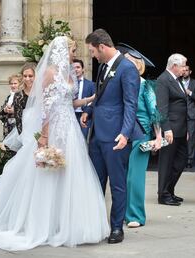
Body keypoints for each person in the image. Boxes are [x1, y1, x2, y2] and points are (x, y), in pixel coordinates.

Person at [0, 36, 109, 250]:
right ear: (61, 51)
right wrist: (44, 136)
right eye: (72, 50)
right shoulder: (50, 73)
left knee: (69, 174)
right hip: (54, 128)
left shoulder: (69, 73)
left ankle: (65, 222)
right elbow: (46, 107)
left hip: (70, 128)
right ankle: (44, 223)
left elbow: (69, 102)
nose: (74, 54)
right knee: (48, 174)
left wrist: (90, 100)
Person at [81, 29, 143, 243]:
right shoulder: (103, 67)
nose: (92, 55)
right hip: (97, 134)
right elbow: (100, 96)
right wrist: (89, 112)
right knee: (96, 182)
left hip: (116, 137)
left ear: (102, 47)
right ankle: (96, 226)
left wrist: (125, 134)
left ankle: (117, 227)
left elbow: (130, 104)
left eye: (92, 51)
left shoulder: (127, 69)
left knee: (117, 184)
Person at [120, 46, 162, 228]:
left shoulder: (146, 86)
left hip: (141, 134)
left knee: (134, 177)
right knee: (121, 177)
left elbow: (154, 112)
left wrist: (158, 137)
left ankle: (135, 215)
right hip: (122, 135)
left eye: (128, 61)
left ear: (137, 66)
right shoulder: (121, 83)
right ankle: (123, 213)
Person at [155, 53, 188, 206]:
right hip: (171, 130)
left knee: (181, 161)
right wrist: (166, 129)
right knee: (166, 162)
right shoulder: (163, 80)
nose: (185, 69)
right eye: (183, 66)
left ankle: (170, 189)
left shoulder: (177, 79)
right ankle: (163, 194)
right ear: (174, 66)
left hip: (181, 129)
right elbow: (162, 108)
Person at [181, 65, 195, 168]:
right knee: (179, 136)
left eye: (186, 70)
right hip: (179, 114)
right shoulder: (177, 81)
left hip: (191, 115)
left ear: (190, 72)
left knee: (191, 138)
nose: (184, 72)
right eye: (183, 70)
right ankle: (180, 159)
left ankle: (189, 159)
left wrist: (190, 93)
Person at [72, 59, 95, 138]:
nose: (75, 69)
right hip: (71, 115)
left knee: (82, 140)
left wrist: (87, 112)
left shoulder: (91, 85)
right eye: (73, 68)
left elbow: (94, 101)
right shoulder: (67, 84)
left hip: (85, 116)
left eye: (78, 67)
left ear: (83, 69)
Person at [13, 63, 35, 135]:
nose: (27, 79)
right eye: (25, 76)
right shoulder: (18, 95)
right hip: (25, 131)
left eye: (30, 76)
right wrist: (22, 136)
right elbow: (18, 119)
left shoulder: (42, 93)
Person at [0, 74, 22, 138]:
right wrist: (5, 110)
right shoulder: (9, 97)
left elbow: (27, 113)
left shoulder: (22, 96)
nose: (13, 85)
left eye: (15, 83)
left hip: (18, 130)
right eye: (11, 83)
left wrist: (15, 111)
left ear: (20, 84)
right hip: (8, 130)